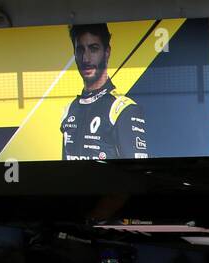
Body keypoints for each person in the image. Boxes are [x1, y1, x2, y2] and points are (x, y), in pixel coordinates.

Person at [61, 24, 148, 161]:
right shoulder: (69, 110)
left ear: (107, 52)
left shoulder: (122, 109)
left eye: (93, 49)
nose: (85, 59)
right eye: (80, 50)